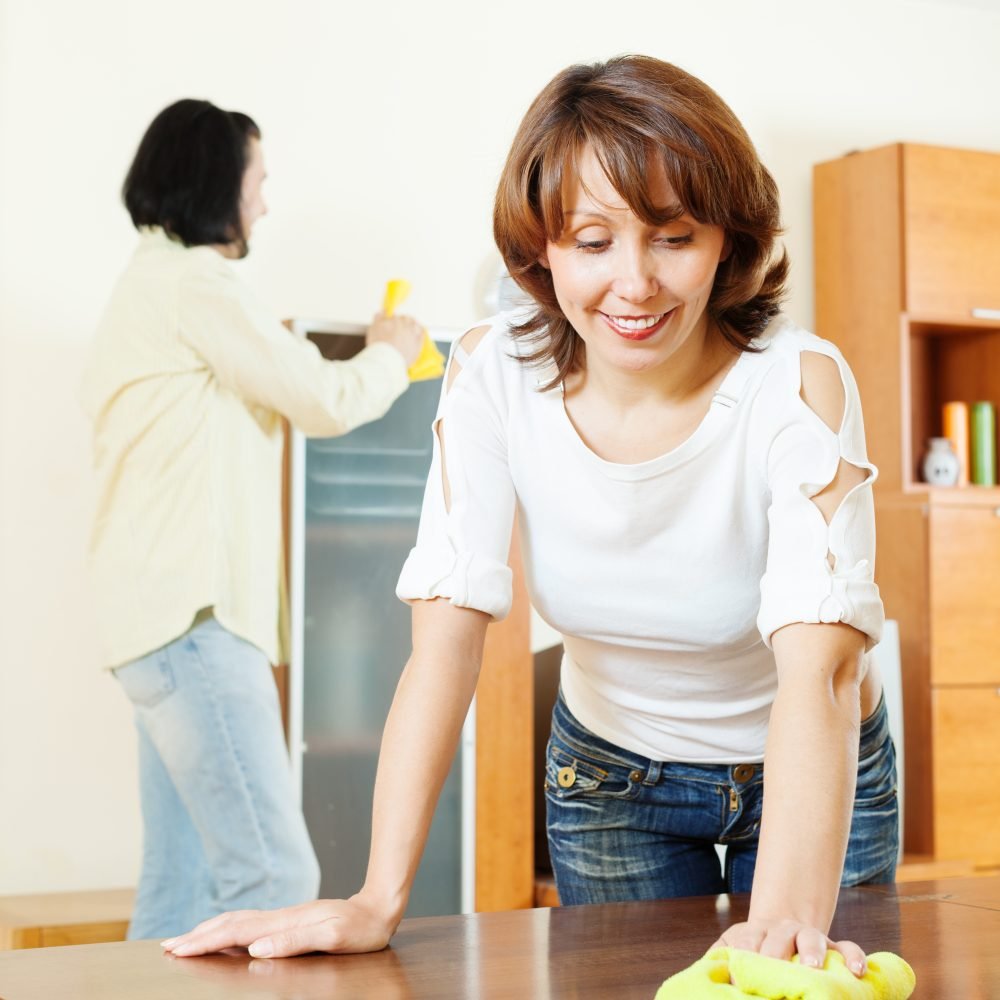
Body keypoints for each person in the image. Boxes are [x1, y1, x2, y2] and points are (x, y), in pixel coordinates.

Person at [162, 57, 897, 973]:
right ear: (540, 248)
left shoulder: (796, 385)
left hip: (821, 766)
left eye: (673, 236)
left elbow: (820, 677)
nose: (634, 285)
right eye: (593, 242)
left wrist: (784, 922)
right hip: (612, 779)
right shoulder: (492, 376)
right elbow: (444, 648)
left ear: (727, 238)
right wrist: (375, 898)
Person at [81, 98, 424, 939]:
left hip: (150, 628)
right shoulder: (196, 284)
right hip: (193, 624)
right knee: (275, 875)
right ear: (216, 182)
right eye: (257, 180)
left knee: (180, 886)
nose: (264, 203)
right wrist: (390, 348)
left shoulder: (146, 287)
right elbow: (316, 395)